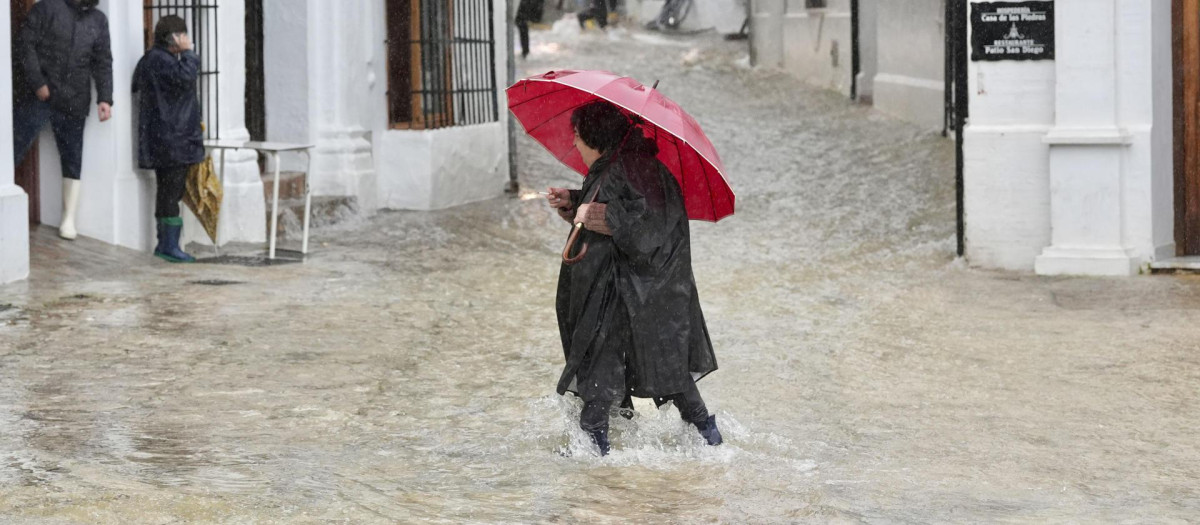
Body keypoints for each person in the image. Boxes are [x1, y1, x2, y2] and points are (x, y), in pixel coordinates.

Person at [545, 100, 721, 456]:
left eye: (577, 136)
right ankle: (710, 443)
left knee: (604, 371)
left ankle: (597, 469)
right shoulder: (624, 166)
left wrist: (598, 216)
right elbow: (625, 206)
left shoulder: (625, 168)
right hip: (642, 293)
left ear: (593, 136)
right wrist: (576, 201)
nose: (575, 144)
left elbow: (646, 225)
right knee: (663, 370)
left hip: (634, 293)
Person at [12, 0, 113, 240]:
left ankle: (68, 219)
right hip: (39, 96)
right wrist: (38, 83)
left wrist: (105, 99)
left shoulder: (98, 20)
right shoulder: (46, 8)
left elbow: (103, 62)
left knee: (72, 158)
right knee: (14, 146)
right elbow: (25, 45)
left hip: (74, 99)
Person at [133, 16, 204, 263]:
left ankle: (167, 243)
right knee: (169, 193)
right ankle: (168, 246)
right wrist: (189, 54)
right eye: (183, 36)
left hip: (169, 137)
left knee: (169, 191)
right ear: (173, 38)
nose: (187, 40)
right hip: (172, 138)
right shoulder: (160, 60)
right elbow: (185, 79)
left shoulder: (155, 60)